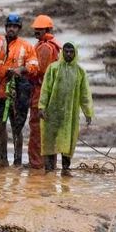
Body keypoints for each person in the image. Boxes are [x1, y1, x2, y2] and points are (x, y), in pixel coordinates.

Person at [0, 13, 39, 167]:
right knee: (0, 126)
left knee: (17, 127)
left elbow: (35, 66)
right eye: (9, 26)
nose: (11, 29)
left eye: (14, 27)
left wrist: (21, 69)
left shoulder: (26, 46)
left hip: (16, 92)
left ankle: (17, 161)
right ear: (5, 28)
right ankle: (3, 160)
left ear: (19, 29)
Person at [37, 42, 92, 176]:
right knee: (50, 138)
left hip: (70, 114)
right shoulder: (53, 68)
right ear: (62, 52)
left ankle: (65, 168)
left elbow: (85, 93)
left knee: (69, 139)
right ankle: (49, 168)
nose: (68, 54)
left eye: (71, 52)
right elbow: (45, 89)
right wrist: (42, 106)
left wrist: (88, 112)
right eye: (66, 51)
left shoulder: (80, 71)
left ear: (75, 53)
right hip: (52, 111)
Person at [28, 14, 62, 170]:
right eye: (36, 30)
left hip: (41, 93)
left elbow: (38, 71)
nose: (36, 32)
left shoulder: (45, 48)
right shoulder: (54, 46)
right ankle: (49, 165)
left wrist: (24, 70)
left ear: (47, 29)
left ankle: (37, 164)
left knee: (37, 129)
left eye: (39, 30)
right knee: (49, 131)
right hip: (51, 94)